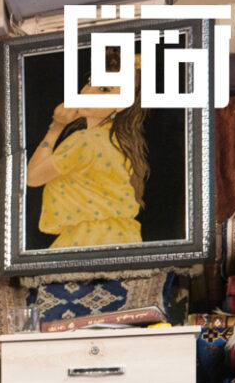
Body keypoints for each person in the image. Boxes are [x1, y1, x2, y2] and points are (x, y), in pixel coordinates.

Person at [25, 69, 150, 249]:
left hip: (89, 239)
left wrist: (56, 126)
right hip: (123, 238)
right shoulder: (118, 142)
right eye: (90, 83)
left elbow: (32, 177)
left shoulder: (85, 141)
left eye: (104, 89)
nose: (88, 92)